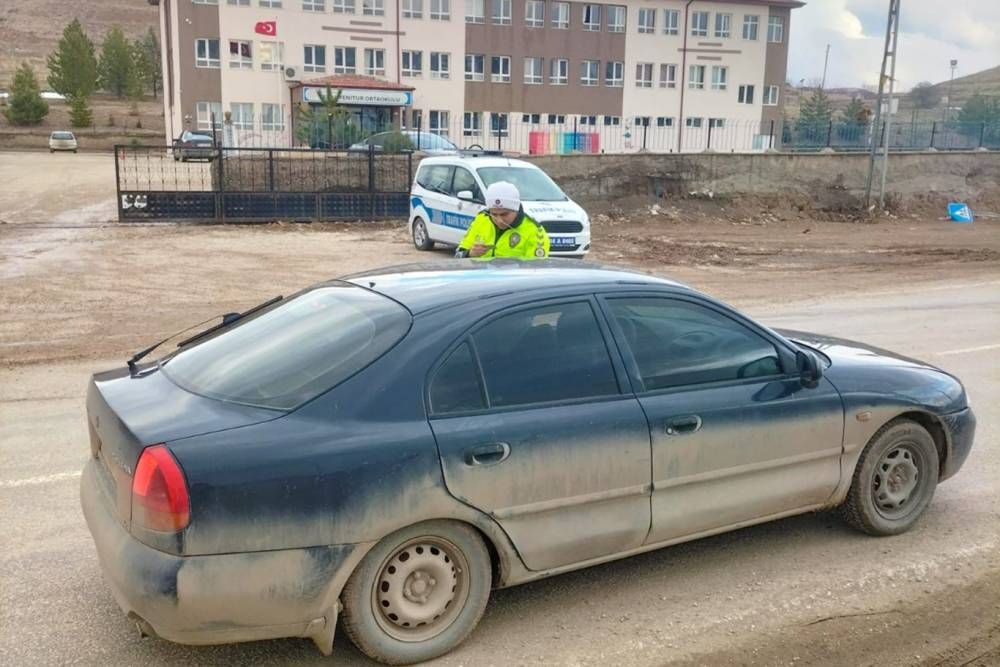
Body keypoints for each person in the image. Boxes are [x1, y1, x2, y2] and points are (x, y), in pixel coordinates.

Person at [455, 181, 550, 259]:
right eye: (494, 214)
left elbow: (537, 272)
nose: (499, 220)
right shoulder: (481, 219)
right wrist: (470, 254)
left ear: (516, 209)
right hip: (480, 280)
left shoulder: (535, 231)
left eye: (504, 214)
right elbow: (457, 258)